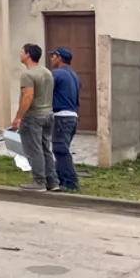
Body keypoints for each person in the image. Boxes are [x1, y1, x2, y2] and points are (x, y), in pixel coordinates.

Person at [11, 43, 57, 191]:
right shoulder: (47, 72)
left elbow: (28, 97)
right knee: (45, 148)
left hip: (34, 117)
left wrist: (18, 117)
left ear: (28, 55)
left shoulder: (28, 75)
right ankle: (52, 181)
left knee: (34, 150)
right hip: (48, 115)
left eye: (22, 51)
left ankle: (39, 182)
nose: (20, 54)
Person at [49, 48, 82, 193]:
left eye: (53, 56)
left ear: (59, 58)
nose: (51, 59)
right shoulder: (74, 75)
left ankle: (70, 182)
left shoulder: (57, 74)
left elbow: (45, 91)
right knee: (62, 149)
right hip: (73, 117)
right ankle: (61, 179)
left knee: (60, 149)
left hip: (61, 116)